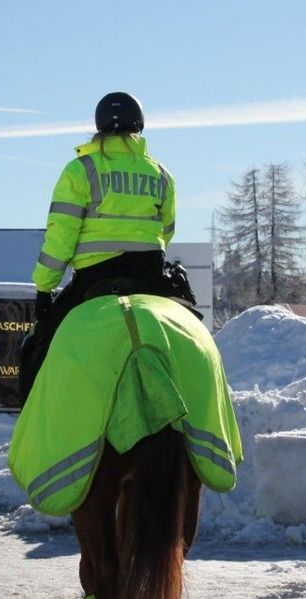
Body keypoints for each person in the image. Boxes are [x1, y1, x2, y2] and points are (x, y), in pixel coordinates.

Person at [20, 92, 180, 395]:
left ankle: (34, 433)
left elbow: (60, 239)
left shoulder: (81, 170)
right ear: (139, 127)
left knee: (37, 350)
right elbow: (167, 231)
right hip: (150, 277)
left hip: (95, 279)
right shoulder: (161, 175)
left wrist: (44, 287)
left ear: (99, 127)